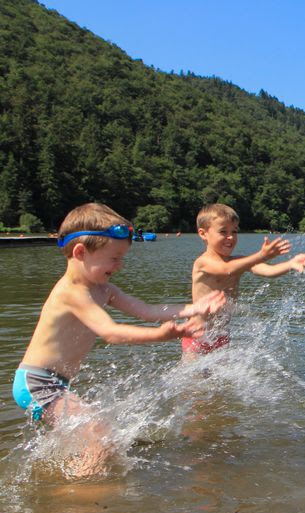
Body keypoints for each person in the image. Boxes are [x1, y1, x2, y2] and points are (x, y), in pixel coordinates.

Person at [11, 203, 226, 476]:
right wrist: (161, 335)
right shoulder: (73, 292)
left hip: (56, 383)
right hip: (37, 383)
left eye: (122, 258)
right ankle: (77, 496)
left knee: (100, 434)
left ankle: (72, 478)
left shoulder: (103, 289)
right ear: (81, 252)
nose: (120, 265)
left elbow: (146, 311)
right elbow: (110, 332)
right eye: (114, 258)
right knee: (99, 434)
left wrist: (193, 308)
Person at [185, 203, 305, 355]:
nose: (230, 237)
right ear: (203, 233)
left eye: (234, 231)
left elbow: (269, 271)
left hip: (221, 336)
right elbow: (226, 270)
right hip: (197, 335)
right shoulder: (203, 262)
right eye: (223, 232)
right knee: (195, 377)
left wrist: (290, 264)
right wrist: (261, 255)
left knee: (220, 378)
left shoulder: (239, 261)